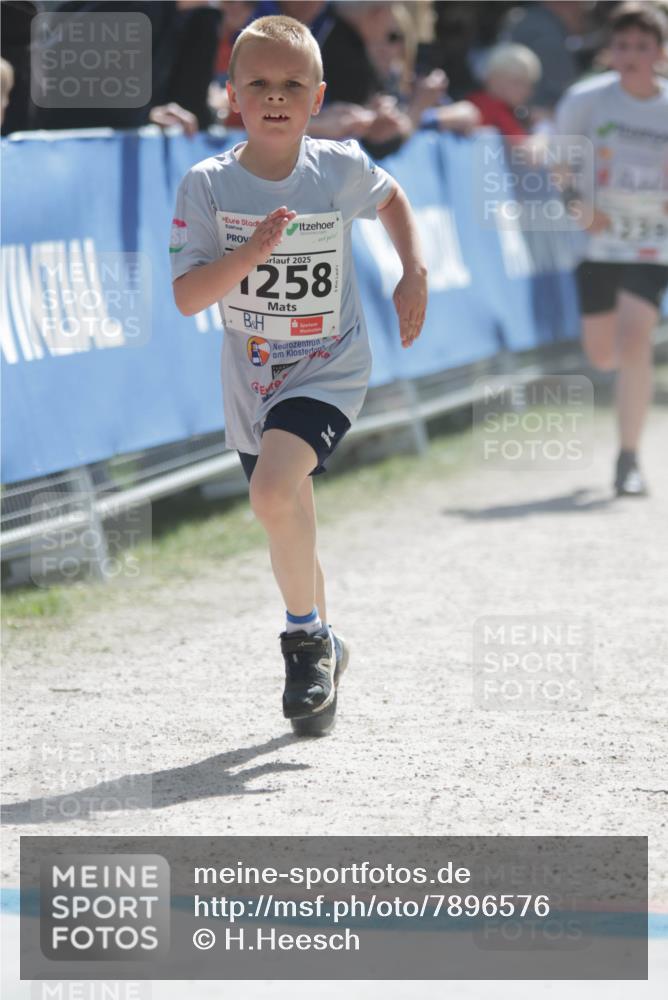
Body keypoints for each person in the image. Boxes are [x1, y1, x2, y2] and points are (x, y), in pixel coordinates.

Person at [171, 15, 427, 726]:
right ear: (232, 96)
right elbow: (188, 294)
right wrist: (249, 255)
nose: (275, 97)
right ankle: (329, 638)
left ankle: (304, 638)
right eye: (259, 83)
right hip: (251, 380)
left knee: (274, 490)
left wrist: (415, 271)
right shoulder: (207, 185)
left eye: (292, 85)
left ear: (318, 98)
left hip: (328, 365)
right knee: (286, 511)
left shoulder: (338, 166)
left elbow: (393, 198)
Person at [554, 1, 668, 496]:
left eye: (642, 46)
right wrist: (578, 204)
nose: (631, 55)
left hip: (652, 242)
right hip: (597, 241)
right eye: (622, 45)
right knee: (604, 354)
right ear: (609, 51)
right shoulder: (586, 100)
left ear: (660, 53)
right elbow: (558, 163)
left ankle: (628, 459)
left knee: (635, 338)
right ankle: (624, 422)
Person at [467, 43, 542, 140]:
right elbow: (525, 148)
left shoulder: (477, 100)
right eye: (517, 82)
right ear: (494, 81)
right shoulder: (494, 107)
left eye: (529, 84)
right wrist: (543, 130)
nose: (527, 91)